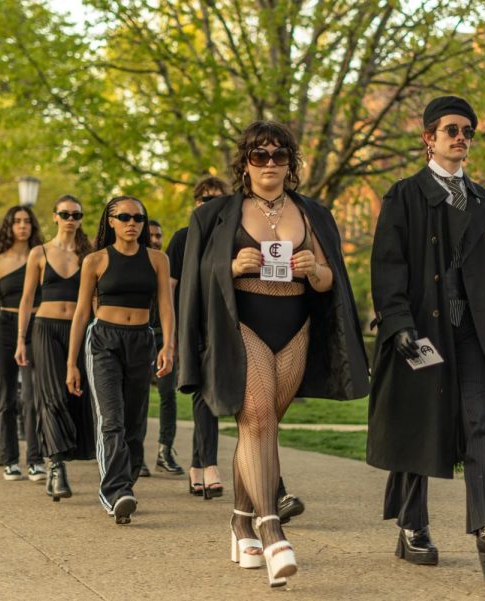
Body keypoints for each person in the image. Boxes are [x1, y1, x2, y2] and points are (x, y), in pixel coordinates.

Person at [177, 121, 369, 586]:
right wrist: (230, 265)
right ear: (244, 163)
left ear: (290, 162)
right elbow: (192, 280)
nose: (269, 163)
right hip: (244, 325)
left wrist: (315, 269)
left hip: (295, 326)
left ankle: (240, 520)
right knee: (257, 416)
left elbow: (330, 281)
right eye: (259, 155)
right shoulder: (216, 215)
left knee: (263, 427)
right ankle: (271, 529)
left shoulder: (313, 213)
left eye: (278, 155)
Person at [368, 96, 485, 582]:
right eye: (452, 130)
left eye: (468, 132)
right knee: (423, 424)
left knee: (480, 425)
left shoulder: (481, 199)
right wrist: (399, 327)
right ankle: (412, 526)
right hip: (423, 329)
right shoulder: (404, 195)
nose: (462, 138)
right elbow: (388, 268)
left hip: (476, 334)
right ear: (429, 138)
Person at [66, 195, 174, 525]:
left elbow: (166, 307)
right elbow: (82, 312)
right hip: (103, 342)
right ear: (110, 221)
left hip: (141, 341)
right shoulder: (95, 260)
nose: (131, 223)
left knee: (134, 422)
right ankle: (114, 491)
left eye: (138, 219)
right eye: (124, 217)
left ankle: (125, 485)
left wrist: (168, 346)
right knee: (111, 418)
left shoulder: (157, 259)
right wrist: (71, 363)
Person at [18, 195, 95, 501]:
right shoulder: (39, 252)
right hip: (45, 329)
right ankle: (56, 466)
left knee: (75, 394)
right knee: (51, 396)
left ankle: (65, 457)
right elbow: (26, 300)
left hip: (79, 329)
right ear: (54, 217)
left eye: (76, 214)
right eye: (64, 213)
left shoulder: (89, 254)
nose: (70, 218)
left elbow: (95, 299)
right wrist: (21, 340)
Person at [162, 176, 231, 499]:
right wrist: (170, 336)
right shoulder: (182, 239)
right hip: (190, 325)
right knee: (202, 391)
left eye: (218, 199)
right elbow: (170, 291)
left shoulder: (234, 238)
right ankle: (208, 465)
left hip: (223, 326)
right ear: (196, 204)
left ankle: (197, 468)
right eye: (204, 199)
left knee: (206, 393)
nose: (210, 204)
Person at [0, 206, 44, 481]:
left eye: (27, 221)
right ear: (9, 226)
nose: (22, 226)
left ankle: (35, 459)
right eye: (17, 221)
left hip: (35, 326)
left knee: (32, 396)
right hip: (4, 327)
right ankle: (9, 459)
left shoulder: (42, 255)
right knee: (5, 395)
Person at [139, 218, 183, 479]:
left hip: (163, 337)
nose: (156, 239)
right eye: (151, 235)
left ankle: (164, 451)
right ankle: (136, 455)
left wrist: (172, 340)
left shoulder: (166, 264)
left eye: (159, 235)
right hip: (139, 337)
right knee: (138, 397)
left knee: (168, 395)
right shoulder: (137, 264)